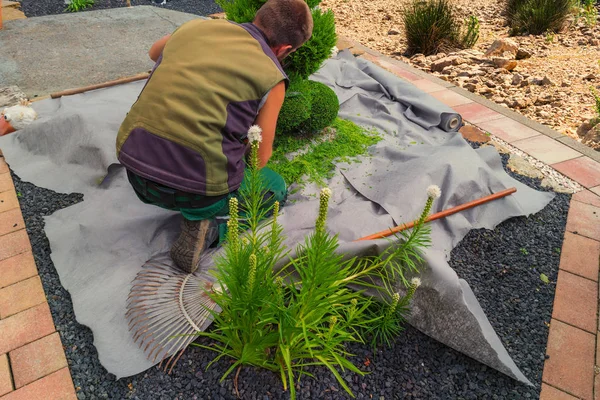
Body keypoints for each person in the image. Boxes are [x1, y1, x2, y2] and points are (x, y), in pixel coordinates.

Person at [116, 0, 313, 273]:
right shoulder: (272, 77)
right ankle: (210, 228)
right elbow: (260, 158)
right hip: (197, 192)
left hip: (137, 169)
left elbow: (154, 52)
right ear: (285, 49)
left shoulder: (196, 27)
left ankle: (184, 198)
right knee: (273, 189)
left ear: (258, 17)